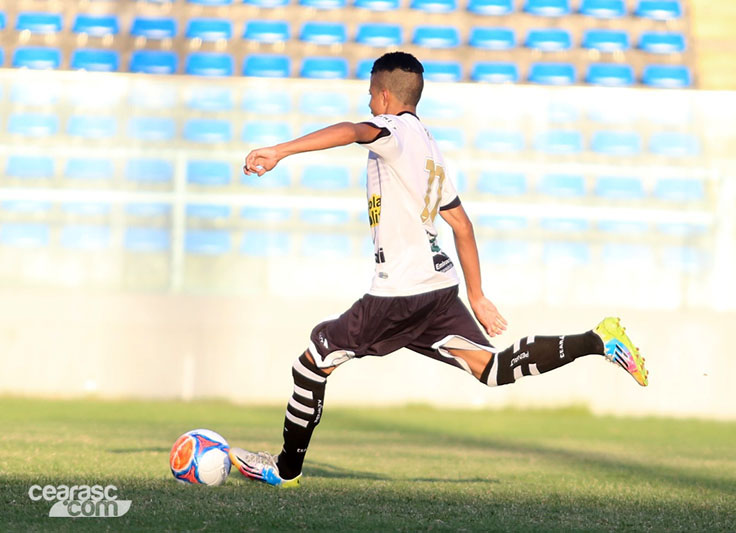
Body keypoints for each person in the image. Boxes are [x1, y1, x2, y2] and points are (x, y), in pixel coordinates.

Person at [229, 51, 648, 487]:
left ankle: (284, 470)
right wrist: (477, 295)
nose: (369, 102)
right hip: (438, 289)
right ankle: (598, 340)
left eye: (371, 94)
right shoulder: (429, 149)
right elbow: (461, 224)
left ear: (385, 96)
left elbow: (354, 131)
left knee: (313, 361)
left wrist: (280, 150)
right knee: (491, 368)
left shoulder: (392, 130)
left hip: (400, 292)